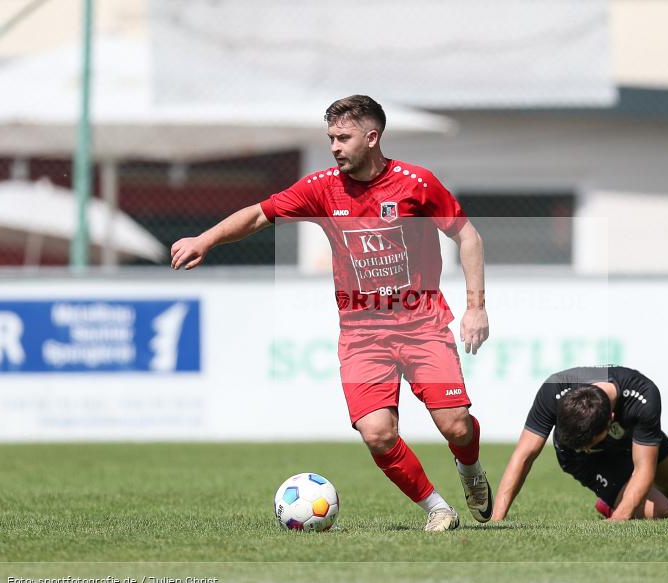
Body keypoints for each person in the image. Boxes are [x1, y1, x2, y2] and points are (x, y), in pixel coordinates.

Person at [171, 95, 492, 532]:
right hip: (362, 334)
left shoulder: (417, 183)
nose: (335, 147)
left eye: (343, 138)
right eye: (331, 138)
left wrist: (476, 308)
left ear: (372, 137)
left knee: (455, 426)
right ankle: (437, 508)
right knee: (377, 433)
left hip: (422, 325)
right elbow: (259, 216)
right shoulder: (322, 188)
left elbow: (468, 237)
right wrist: (205, 240)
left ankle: (470, 469)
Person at [491, 366, 668, 521]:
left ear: (610, 419)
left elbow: (644, 469)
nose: (585, 448)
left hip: (632, 440)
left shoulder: (643, 397)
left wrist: (620, 519)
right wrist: (497, 519)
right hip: (585, 463)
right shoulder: (554, 389)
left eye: (588, 443)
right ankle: (615, 497)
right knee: (662, 512)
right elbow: (524, 455)